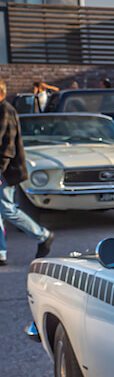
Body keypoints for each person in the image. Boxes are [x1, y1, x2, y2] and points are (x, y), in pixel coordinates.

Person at [0, 77, 52, 265]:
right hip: (4, 170)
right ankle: (1, 252)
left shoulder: (5, 111)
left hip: (6, 171)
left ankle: (43, 235)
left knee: (7, 210)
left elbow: (7, 147)